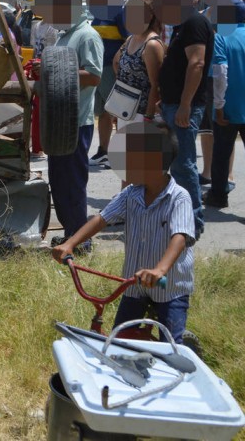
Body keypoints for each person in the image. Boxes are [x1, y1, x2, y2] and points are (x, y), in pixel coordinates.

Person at [51, 121, 195, 344]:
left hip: (170, 288)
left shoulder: (179, 197)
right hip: (135, 284)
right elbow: (102, 219)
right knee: (119, 340)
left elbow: (180, 237)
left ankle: (187, 367)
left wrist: (160, 269)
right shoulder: (131, 194)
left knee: (173, 347)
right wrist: (70, 243)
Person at [35, 0, 103, 251]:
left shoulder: (87, 36)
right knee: (60, 182)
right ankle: (69, 234)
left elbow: (95, 76)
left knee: (73, 184)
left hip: (76, 121)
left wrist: (55, 72)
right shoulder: (63, 36)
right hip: (58, 120)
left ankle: (80, 240)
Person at [155, 0, 214, 238]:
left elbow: (197, 63)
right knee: (176, 163)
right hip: (173, 104)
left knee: (183, 164)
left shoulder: (194, 23)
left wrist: (185, 105)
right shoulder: (183, 25)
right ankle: (181, 215)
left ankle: (193, 222)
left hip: (184, 107)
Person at [204, 0, 245, 208]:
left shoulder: (221, 38)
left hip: (229, 108)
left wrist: (219, 106)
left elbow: (220, 72)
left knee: (221, 152)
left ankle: (219, 196)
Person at [87, 0, 129, 168]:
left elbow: (130, 38)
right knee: (103, 112)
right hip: (98, 68)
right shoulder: (97, 14)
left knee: (118, 112)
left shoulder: (119, 13)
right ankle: (104, 151)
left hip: (112, 70)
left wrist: (118, 59)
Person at [112, 0, 164, 122]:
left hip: (142, 114)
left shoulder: (152, 44)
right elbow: (116, 63)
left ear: (150, 16)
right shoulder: (131, 39)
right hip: (125, 110)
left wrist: (149, 117)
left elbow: (156, 85)